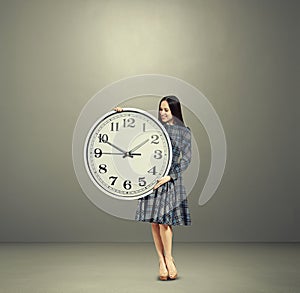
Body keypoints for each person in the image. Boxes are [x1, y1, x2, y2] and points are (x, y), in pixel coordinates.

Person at [115, 95, 192, 281]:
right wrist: (123, 114)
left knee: (166, 222)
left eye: (166, 110)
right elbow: (135, 129)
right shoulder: (154, 127)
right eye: (161, 109)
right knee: (155, 222)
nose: (163, 113)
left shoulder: (183, 131)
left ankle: (169, 259)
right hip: (151, 178)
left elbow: (187, 159)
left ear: (174, 111)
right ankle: (160, 261)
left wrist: (170, 177)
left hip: (169, 180)